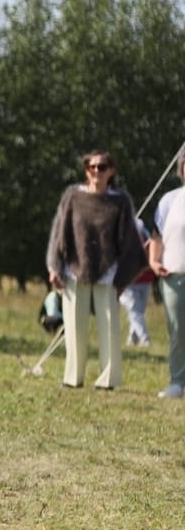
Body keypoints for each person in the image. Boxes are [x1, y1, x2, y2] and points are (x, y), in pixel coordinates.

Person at [46, 150, 148, 391]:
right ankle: (73, 377)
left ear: (111, 171)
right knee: (73, 328)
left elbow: (129, 240)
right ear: (86, 170)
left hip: (108, 273)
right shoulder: (72, 197)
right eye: (91, 167)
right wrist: (54, 266)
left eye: (102, 167)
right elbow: (60, 231)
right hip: (74, 269)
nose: (96, 171)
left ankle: (108, 379)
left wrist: (123, 276)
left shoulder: (120, 201)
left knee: (110, 328)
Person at [149, 152, 185, 399]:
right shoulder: (169, 200)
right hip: (174, 275)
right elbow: (157, 235)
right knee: (177, 331)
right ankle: (177, 381)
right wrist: (153, 260)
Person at [120, 220, 154, 347]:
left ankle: (132, 339)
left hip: (145, 280)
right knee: (135, 311)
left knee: (138, 311)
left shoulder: (147, 239)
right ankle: (145, 340)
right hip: (129, 283)